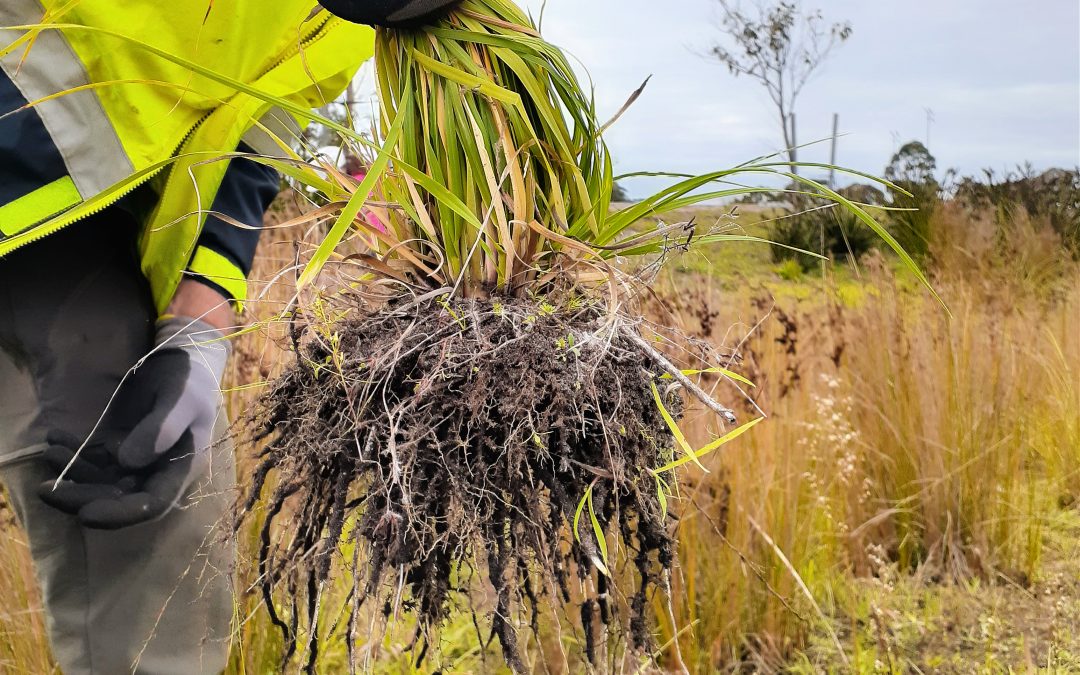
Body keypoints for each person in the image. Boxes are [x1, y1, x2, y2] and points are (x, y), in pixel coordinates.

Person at [0, 1, 458, 673]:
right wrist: (49, 280)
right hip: (25, 173)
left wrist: (199, 325)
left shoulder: (352, 19)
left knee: (167, 472)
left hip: (118, 214)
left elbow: (262, 122)